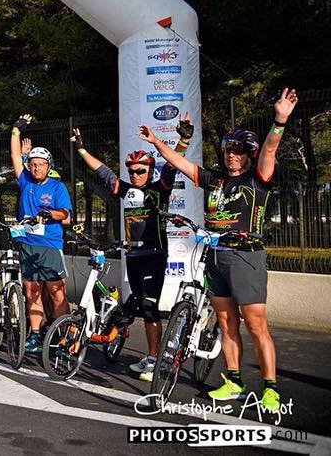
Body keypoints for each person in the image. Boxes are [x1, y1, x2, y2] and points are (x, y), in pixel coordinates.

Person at [141, 88, 297, 413]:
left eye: (239, 150)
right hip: (215, 258)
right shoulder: (214, 179)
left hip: (245, 257)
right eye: (228, 149)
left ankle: (270, 388)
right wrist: (157, 143)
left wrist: (279, 121)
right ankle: (234, 381)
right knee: (227, 323)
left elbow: (270, 149)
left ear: (249, 154)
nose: (232, 155)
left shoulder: (258, 180)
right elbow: (181, 163)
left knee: (256, 325)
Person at [71, 113, 193, 381]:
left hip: (154, 257)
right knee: (137, 306)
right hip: (133, 257)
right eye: (132, 170)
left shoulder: (159, 190)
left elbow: (173, 165)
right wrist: (80, 148)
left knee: (150, 309)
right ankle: (147, 355)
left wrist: (184, 139)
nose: (135, 174)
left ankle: (154, 359)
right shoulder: (126, 190)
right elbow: (102, 171)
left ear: (150, 171)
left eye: (141, 170)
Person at [10, 114, 72, 354]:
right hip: (27, 243)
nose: (36, 167)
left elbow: (65, 212)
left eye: (41, 164)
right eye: (33, 163)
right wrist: (16, 129)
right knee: (32, 290)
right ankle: (35, 335)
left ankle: (63, 335)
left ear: (49, 166)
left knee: (56, 292)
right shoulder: (25, 181)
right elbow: (16, 156)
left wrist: (49, 214)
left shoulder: (58, 187)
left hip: (50, 244)